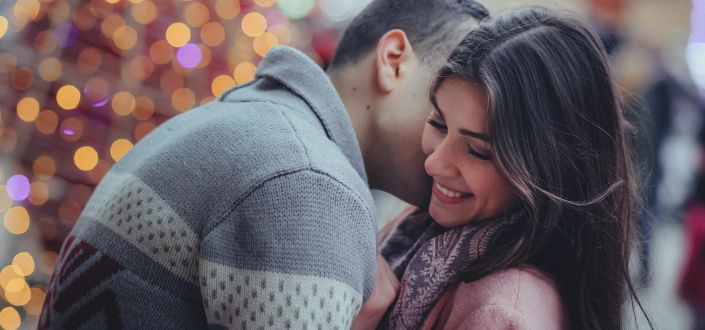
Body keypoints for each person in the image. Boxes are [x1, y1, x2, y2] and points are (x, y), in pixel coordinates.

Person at [38, 1, 490, 329]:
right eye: (445, 104)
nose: (460, 140)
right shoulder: (306, 180)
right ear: (393, 61)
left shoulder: (248, 120)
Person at [376, 7, 651, 329]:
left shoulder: (501, 313)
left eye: (478, 151)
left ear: (549, 167)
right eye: (438, 123)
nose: (434, 162)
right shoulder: (426, 230)